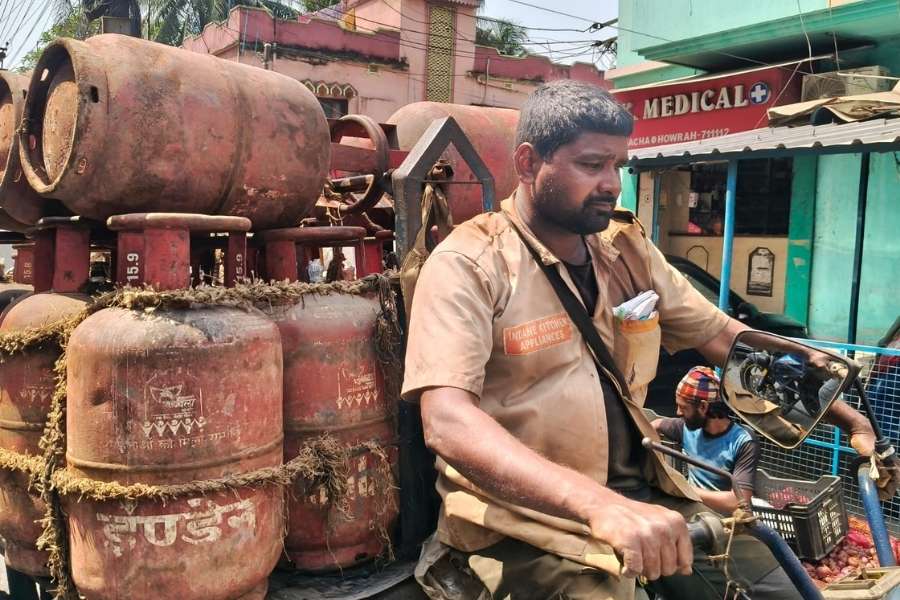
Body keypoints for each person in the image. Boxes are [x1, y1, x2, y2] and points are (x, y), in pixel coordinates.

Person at [401, 80, 884, 600]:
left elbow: (723, 335)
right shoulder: (469, 264)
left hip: (645, 495)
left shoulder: (624, 250)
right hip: (522, 525)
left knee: (773, 578)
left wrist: (841, 412)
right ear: (527, 163)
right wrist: (598, 506)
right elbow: (448, 420)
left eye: (618, 167)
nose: (612, 184)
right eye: (592, 165)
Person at [651, 367, 758, 515]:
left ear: (703, 407)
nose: (678, 413)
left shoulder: (743, 442)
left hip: (725, 520)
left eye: (683, 407)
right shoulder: (686, 428)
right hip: (692, 510)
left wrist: (682, 488)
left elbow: (738, 502)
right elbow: (654, 425)